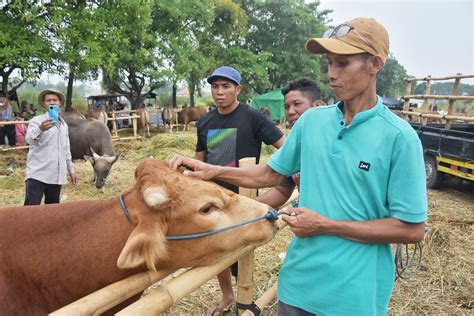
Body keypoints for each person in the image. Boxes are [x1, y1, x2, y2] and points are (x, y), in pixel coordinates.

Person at [171, 18, 428, 316]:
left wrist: (327, 225)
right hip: (297, 286)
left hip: (354, 297)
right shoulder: (311, 122)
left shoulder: (400, 138)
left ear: (375, 64)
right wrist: (214, 171)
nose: (331, 74)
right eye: (329, 63)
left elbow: (412, 229)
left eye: (342, 64)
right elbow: (271, 174)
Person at [198, 66, 285, 316]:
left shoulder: (253, 117)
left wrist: (284, 174)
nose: (220, 92)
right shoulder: (205, 122)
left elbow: (284, 147)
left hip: (243, 197)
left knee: (241, 252)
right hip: (214, 198)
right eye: (215, 86)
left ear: (238, 89)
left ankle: (244, 298)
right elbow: (199, 162)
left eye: (226, 86)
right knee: (217, 250)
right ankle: (228, 296)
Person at [257, 78, 325, 209]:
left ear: (318, 105)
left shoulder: (336, 139)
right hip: (309, 224)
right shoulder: (297, 145)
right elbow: (282, 190)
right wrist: (246, 207)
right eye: (287, 107)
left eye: (297, 104)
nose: (290, 112)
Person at [24, 89, 77, 205]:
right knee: (30, 211)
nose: (52, 103)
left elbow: (66, 149)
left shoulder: (64, 125)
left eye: (55, 100)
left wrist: (71, 170)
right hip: (38, 174)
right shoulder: (37, 121)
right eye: (48, 100)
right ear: (44, 104)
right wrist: (40, 129)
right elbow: (28, 140)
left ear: (60, 103)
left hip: (56, 175)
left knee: (52, 212)